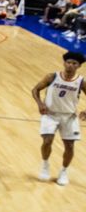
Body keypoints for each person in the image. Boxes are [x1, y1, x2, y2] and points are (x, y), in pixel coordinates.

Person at [31, 51, 86, 185]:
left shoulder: (81, 81)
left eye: (74, 63)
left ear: (79, 66)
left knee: (70, 146)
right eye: (68, 62)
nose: (70, 65)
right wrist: (40, 104)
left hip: (69, 117)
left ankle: (63, 172)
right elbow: (35, 90)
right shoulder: (52, 76)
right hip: (50, 114)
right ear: (64, 63)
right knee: (47, 141)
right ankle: (45, 165)